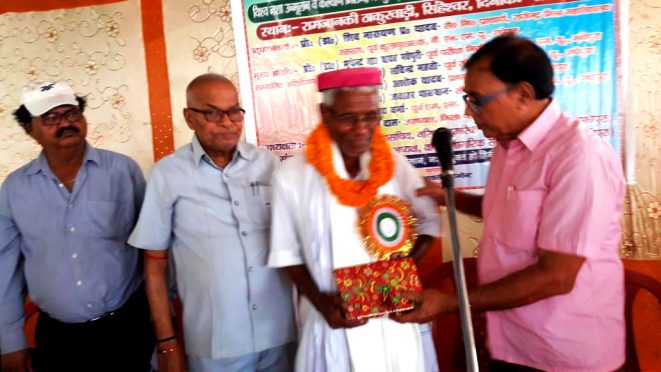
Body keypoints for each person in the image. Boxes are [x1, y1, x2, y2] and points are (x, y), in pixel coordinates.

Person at [396, 34, 626, 371]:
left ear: (523, 94)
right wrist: (446, 197)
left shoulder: (577, 156)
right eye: (467, 98)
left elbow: (556, 276)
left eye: (477, 99)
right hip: (511, 341)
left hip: (563, 353)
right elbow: (505, 210)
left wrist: (450, 302)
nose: (468, 111)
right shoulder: (508, 146)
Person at [267, 67, 442, 372]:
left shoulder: (395, 165)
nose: (362, 129)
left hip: (393, 324)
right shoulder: (292, 175)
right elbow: (286, 254)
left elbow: (429, 222)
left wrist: (398, 274)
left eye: (371, 117)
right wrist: (324, 304)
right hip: (332, 322)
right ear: (326, 114)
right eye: (348, 118)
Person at [128, 73, 296, 372]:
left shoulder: (268, 164)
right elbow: (154, 267)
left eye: (234, 111)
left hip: (279, 334)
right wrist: (167, 343)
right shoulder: (167, 175)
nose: (227, 122)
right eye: (213, 113)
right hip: (216, 343)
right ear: (189, 118)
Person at [0, 81, 153, 371]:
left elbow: (153, 250)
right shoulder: (14, 189)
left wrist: (163, 325)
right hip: (60, 338)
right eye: (50, 118)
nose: (66, 123)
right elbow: (4, 270)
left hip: (127, 327)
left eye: (72, 113)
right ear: (30, 129)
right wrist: (10, 342)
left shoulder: (122, 171)